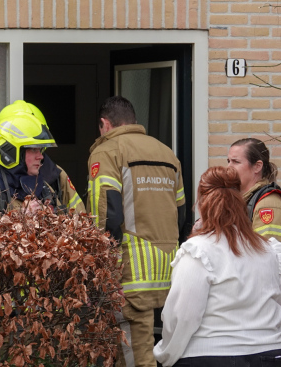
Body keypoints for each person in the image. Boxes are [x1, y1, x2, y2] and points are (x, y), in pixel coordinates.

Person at [153, 166, 281, 367]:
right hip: (270, 354)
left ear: (202, 204)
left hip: (209, 355)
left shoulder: (198, 251)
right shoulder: (268, 249)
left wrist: (166, 354)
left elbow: (182, 317)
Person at [87, 96, 186, 367]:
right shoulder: (167, 153)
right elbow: (182, 213)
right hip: (168, 269)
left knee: (136, 353)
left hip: (130, 272)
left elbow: (107, 214)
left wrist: (101, 264)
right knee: (169, 347)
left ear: (104, 124)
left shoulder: (106, 151)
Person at [0, 100, 85, 214]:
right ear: (11, 152)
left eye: (40, 150)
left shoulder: (43, 187)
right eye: (33, 150)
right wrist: (22, 220)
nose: (40, 157)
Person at [226, 138, 281, 268]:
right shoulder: (243, 200)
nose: (228, 167)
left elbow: (270, 260)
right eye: (228, 161)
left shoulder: (268, 205)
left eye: (236, 162)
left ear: (257, 166)